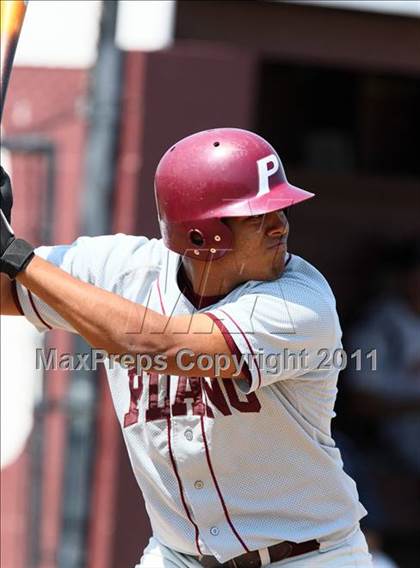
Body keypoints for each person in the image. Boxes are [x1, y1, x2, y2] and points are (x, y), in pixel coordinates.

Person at [0, 128, 372, 567]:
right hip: (177, 556)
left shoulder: (301, 302)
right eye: (258, 216)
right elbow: (7, 292)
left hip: (307, 556)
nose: (281, 226)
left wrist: (16, 255)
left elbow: (157, 346)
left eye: (281, 209)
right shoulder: (122, 269)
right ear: (200, 234)